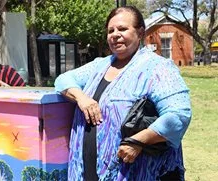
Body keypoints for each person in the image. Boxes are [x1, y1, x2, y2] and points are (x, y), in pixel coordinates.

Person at [54, 6, 191, 181]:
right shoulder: (100, 66)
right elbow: (63, 80)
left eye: (122, 29)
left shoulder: (157, 68)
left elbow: (178, 115)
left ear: (140, 33)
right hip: (87, 169)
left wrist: (137, 142)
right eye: (111, 30)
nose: (115, 34)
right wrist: (82, 98)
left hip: (135, 171)